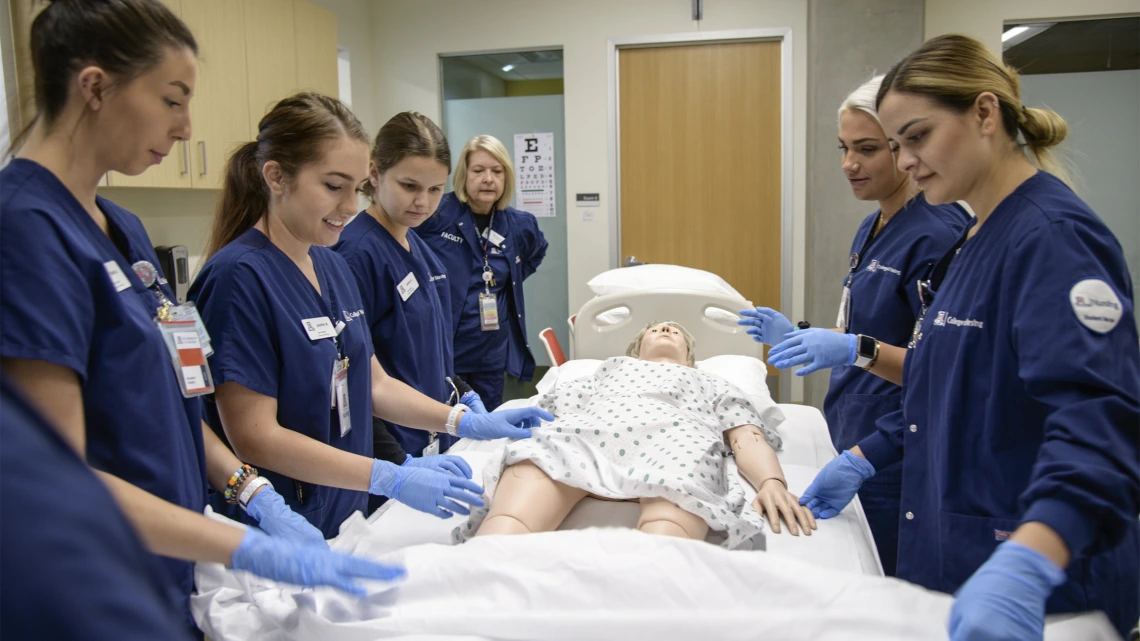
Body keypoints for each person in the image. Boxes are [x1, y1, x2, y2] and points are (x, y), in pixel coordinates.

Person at [0, 2, 403, 636]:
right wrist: (243, 546)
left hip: (169, 565)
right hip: (90, 584)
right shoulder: (26, 230)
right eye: (172, 99)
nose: (188, 127)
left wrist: (248, 491)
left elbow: (179, 400)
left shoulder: (122, 229)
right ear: (95, 88)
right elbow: (60, 479)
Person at [799, 34, 1139, 641]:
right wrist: (865, 455)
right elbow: (937, 382)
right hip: (955, 545)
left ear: (985, 113)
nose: (904, 162)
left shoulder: (1052, 239)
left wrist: (1032, 557)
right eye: (898, 145)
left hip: (1040, 573)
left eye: (917, 137)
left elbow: (1101, 422)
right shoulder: (974, 240)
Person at [189, 93, 552, 540]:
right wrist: (388, 474)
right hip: (280, 520)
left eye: (354, 188)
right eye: (332, 186)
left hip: (343, 507)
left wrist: (460, 420)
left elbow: (373, 382)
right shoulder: (239, 278)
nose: (348, 207)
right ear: (276, 177)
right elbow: (254, 435)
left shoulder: (329, 264)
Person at [736, 75, 969, 575]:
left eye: (866, 149)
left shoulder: (937, 235)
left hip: (897, 448)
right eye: (843, 148)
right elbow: (874, 329)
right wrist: (804, 336)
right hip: (855, 428)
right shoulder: (874, 225)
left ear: (907, 147)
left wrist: (849, 349)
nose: (849, 164)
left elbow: (942, 370)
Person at [455, 321, 816, 548]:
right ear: (635, 349)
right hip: (582, 435)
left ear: (690, 358)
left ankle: (644, 601)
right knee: (517, 503)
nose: (666, 329)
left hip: (675, 441)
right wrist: (492, 420)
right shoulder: (606, 371)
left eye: (676, 330)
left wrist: (772, 482)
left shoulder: (710, 381)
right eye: (655, 328)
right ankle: (478, 586)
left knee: (665, 544)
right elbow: (544, 413)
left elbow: (746, 437)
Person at [332, 112, 489, 514]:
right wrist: (397, 464)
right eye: (409, 186)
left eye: (435, 189)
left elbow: (425, 343)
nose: (423, 202)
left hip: (428, 436)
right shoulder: (357, 253)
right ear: (375, 174)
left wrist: (461, 392)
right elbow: (352, 374)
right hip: (391, 453)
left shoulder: (414, 244)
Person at [415, 135, 549, 410]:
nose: (488, 179)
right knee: (444, 424)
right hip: (443, 346)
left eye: (497, 171)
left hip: (489, 349)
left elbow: (536, 252)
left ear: (506, 177)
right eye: (479, 171)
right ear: (464, 175)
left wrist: (504, 283)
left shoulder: (518, 224)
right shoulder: (436, 215)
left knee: (486, 423)